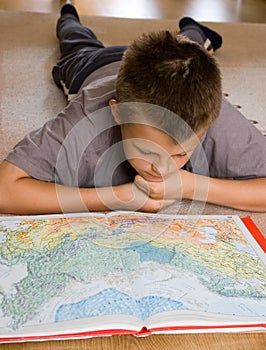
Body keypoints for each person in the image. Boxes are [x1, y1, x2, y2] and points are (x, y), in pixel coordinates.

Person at [0, 2, 265, 215]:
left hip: (158, 69)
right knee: (75, 39)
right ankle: (68, 13)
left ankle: (194, 30)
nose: (161, 170)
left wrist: (191, 186)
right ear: (118, 112)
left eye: (180, 154)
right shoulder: (88, 117)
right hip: (93, 64)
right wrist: (114, 198)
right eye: (148, 151)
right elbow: (5, 189)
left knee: (189, 49)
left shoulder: (211, 113)